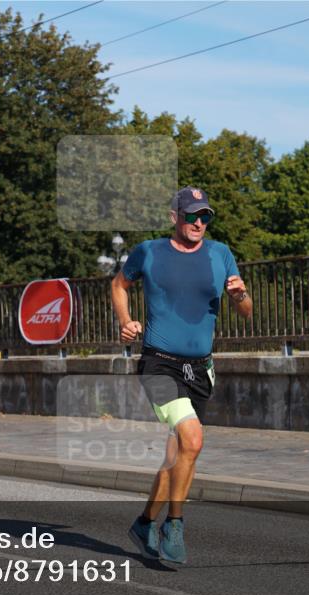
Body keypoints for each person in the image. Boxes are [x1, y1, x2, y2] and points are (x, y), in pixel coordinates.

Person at [111, 186, 252, 564]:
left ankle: (143, 523)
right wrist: (126, 321)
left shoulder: (221, 254)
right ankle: (174, 524)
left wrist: (240, 296)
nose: (199, 222)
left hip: (201, 368)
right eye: (191, 215)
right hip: (159, 362)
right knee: (192, 439)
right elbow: (119, 285)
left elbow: (246, 310)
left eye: (205, 216)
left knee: (178, 454)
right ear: (174, 216)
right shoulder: (149, 252)